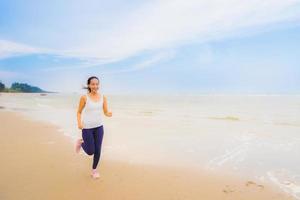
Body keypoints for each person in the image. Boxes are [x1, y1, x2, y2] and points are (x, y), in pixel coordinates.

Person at [75, 76, 112, 179]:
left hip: (99, 127)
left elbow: (105, 112)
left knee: (98, 150)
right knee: (90, 151)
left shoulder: (103, 97)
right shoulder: (84, 98)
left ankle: (94, 170)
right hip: (87, 128)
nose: (95, 86)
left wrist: (108, 113)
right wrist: (79, 123)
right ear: (89, 85)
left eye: (97, 84)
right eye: (93, 84)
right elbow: (79, 112)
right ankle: (80, 143)